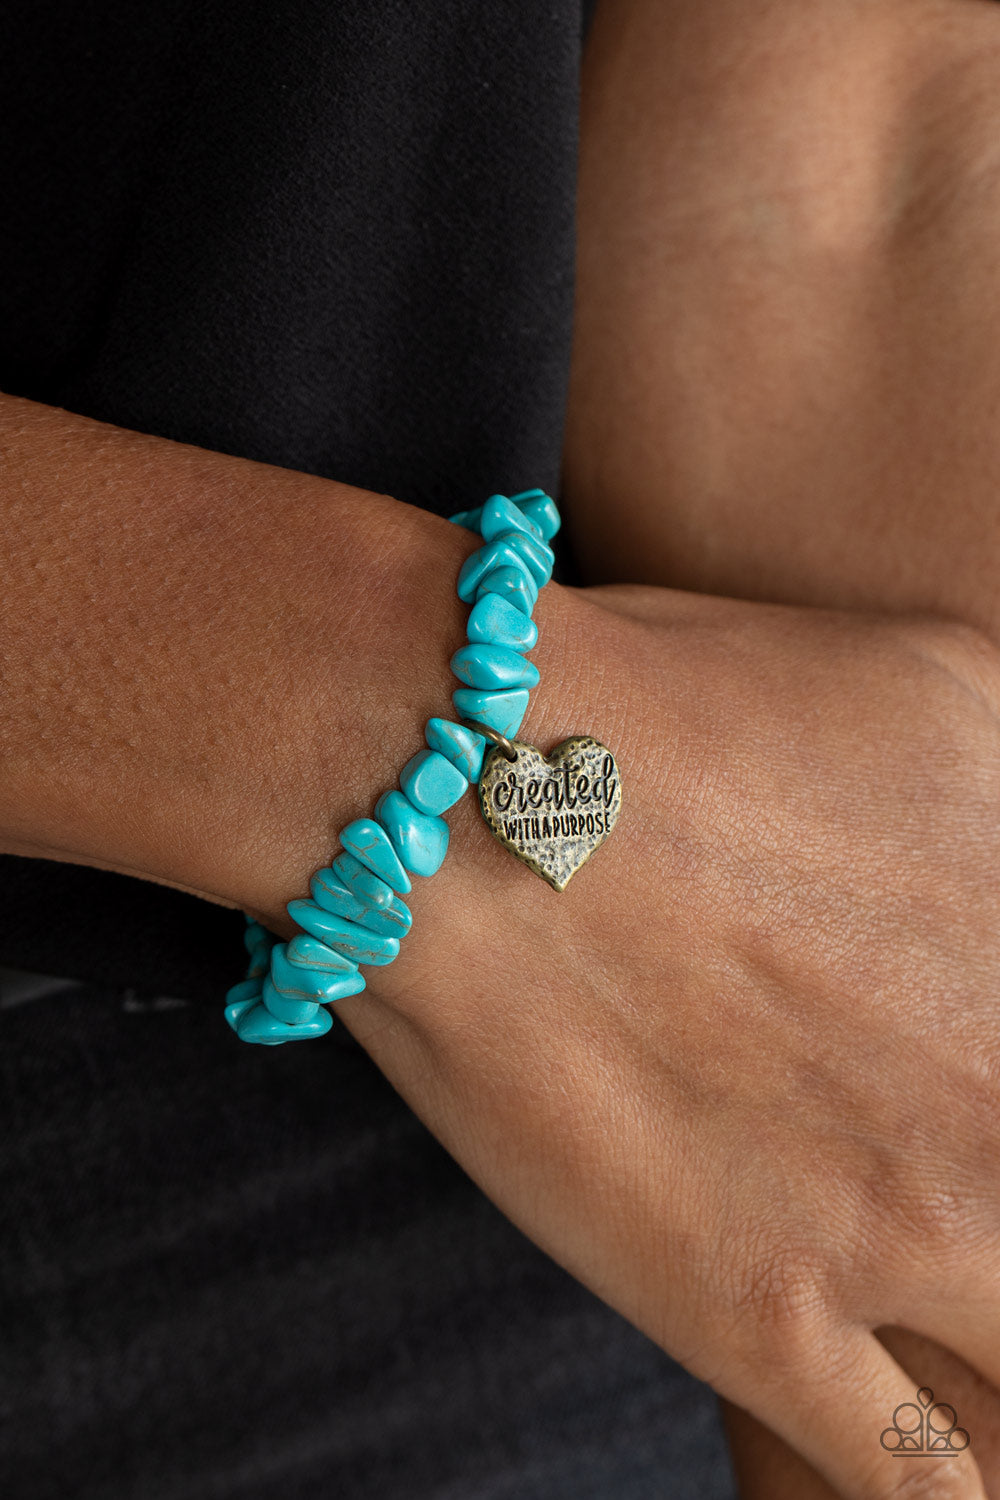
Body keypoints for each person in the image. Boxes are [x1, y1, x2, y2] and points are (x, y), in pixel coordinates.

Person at [2, 2, 999, 1498]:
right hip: (568, 933)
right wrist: (359, 712)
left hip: (615, 1124)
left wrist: (901, 951)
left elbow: (854, 118)